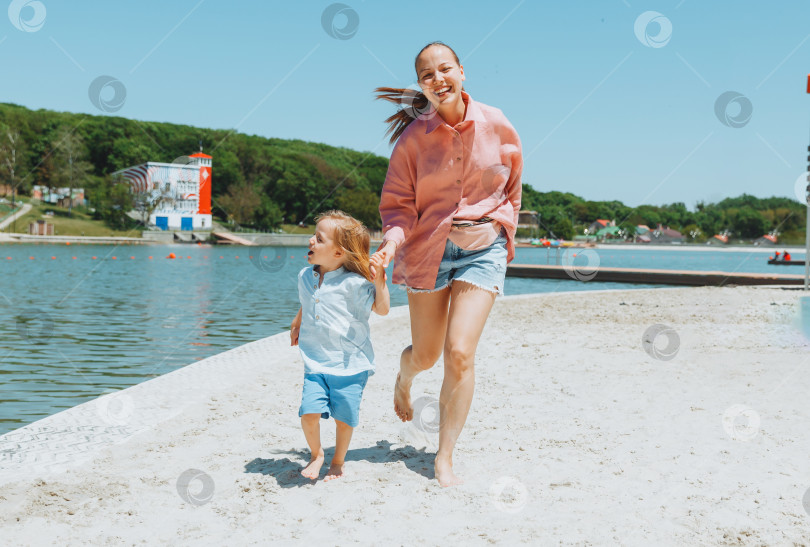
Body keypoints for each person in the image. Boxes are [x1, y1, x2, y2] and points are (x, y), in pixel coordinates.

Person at [372, 42, 523, 486]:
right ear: (421, 85)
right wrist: (391, 244)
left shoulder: (498, 124)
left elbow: (513, 189)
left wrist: (501, 229)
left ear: (461, 71)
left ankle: (445, 455)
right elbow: (398, 207)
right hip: (428, 250)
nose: (438, 79)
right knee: (426, 354)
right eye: (427, 75)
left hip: (483, 249)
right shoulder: (413, 139)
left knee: (459, 353)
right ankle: (403, 378)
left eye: (444, 70)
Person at [290, 210, 390, 481]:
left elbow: (382, 309)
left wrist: (379, 281)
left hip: (350, 364)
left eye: (319, 239)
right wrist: (297, 322)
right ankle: (316, 454)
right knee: (308, 413)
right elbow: (308, 302)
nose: (311, 241)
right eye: (314, 235)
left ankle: (338, 459)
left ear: (338, 253)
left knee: (344, 419)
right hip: (315, 361)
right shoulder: (304, 277)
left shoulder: (355, 284)